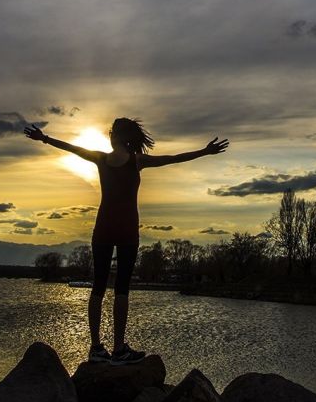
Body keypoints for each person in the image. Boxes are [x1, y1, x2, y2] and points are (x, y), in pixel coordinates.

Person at [24, 118, 228, 365]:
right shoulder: (137, 161)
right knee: (122, 289)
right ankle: (119, 349)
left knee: (98, 287)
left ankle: (96, 348)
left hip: (104, 227)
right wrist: (205, 152)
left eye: (111, 133)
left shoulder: (100, 158)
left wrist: (44, 138)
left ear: (115, 136)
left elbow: (71, 148)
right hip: (127, 229)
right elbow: (174, 158)